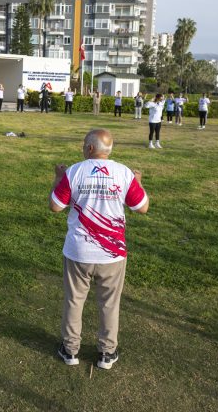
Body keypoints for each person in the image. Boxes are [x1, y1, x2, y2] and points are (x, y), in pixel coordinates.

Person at [49, 129, 149, 369]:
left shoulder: (74, 171)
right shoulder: (124, 173)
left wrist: (58, 177)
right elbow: (141, 208)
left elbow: (55, 206)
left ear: (91, 149)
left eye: (84, 145)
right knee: (109, 304)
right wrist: (139, 182)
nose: (82, 148)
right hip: (112, 254)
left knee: (74, 301)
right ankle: (107, 352)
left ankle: (71, 350)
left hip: (78, 252)